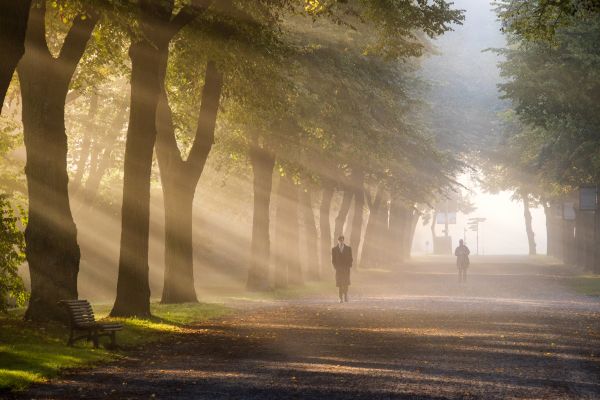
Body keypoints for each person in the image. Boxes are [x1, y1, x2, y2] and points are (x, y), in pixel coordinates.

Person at [332, 235, 353, 303]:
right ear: (338, 241)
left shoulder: (348, 248)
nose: (341, 241)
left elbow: (351, 258)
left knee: (346, 283)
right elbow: (333, 260)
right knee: (340, 284)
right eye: (340, 240)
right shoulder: (334, 249)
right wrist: (335, 267)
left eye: (342, 240)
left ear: (343, 240)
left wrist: (349, 266)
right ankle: (340, 298)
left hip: (346, 269)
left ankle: (346, 296)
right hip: (339, 269)